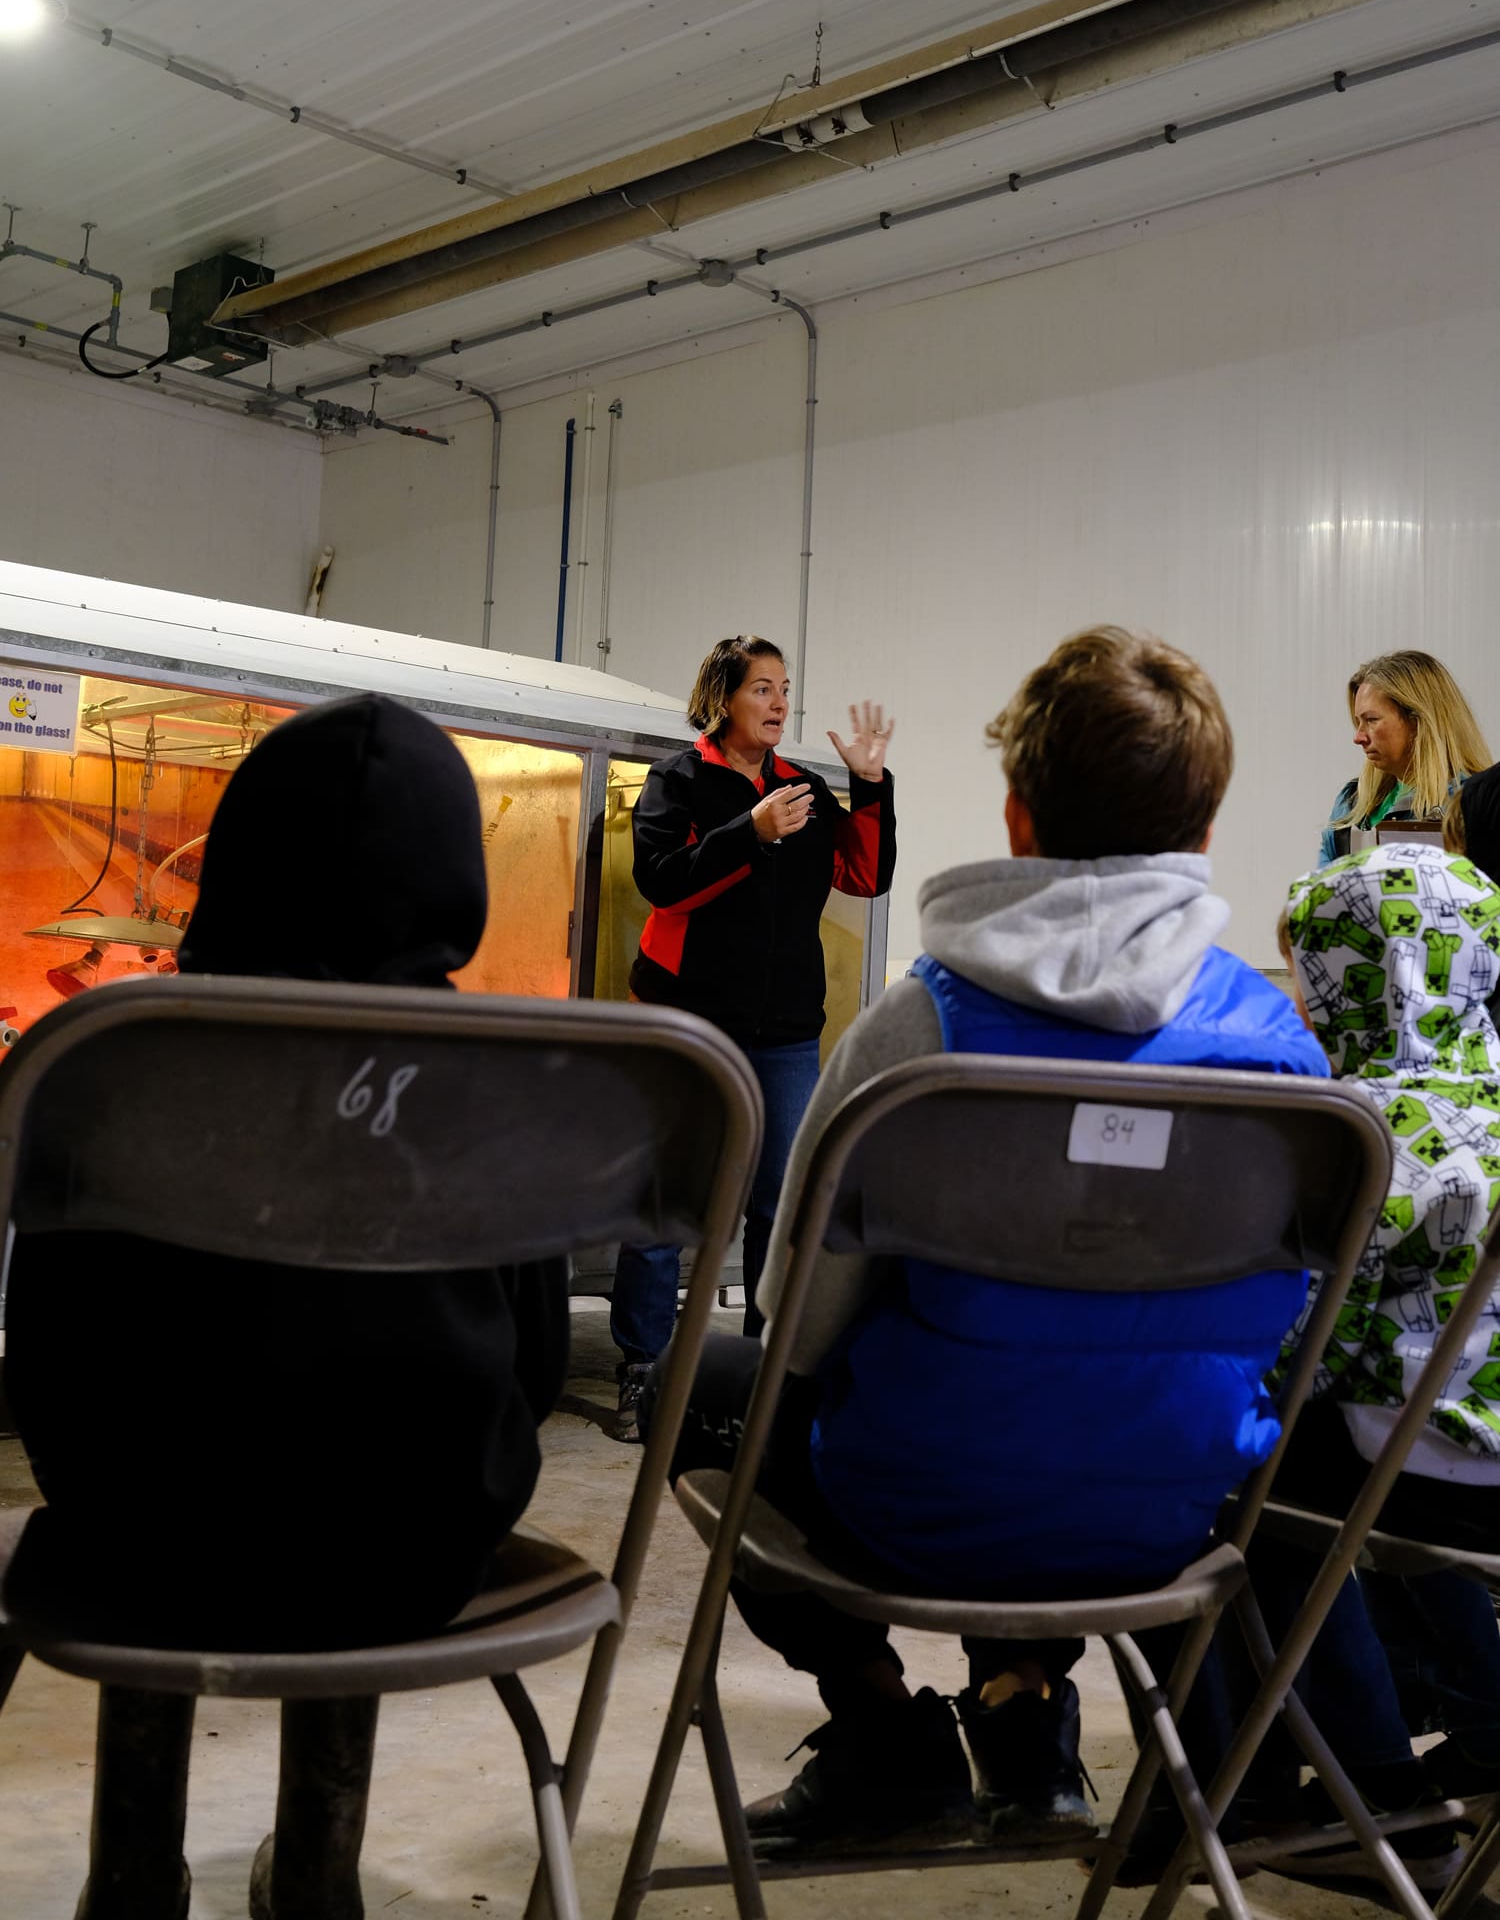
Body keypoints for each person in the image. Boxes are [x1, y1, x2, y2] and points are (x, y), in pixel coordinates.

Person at [651, 626, 1326, 1859]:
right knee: (1083, 1380)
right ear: (1206, 831)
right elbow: (1288, 1325)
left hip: (909, 1510)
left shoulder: (917, 1031)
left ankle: (882, 1732)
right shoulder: (1284, 1057)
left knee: (698, 1380)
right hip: (1177, 1513)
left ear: (1017, 816)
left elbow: (800, 1326)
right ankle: (1023, 1718)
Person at [5, 693, 570, 1920]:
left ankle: (131, 1877)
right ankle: (319, 1875)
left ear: (243, 854)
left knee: (165, 1451)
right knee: (371, 1451)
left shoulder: (114, 1053)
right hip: (419, 1541)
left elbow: (44, 1347)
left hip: (143, 1540)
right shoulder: (498, 1080)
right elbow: (535, 1362)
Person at [1254, 841, 1500, 1894]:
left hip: (1413, 1475)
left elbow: (1296, 1348)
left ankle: (1369, 1805)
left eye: (1311, 977)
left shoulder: (1353, 1134)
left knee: (1243, 1491)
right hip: (1487, 1477)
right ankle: (1481, 1730)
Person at [610, 634, 895, 1439]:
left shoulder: (802, 789)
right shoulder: (677, 780)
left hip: (785, 1036)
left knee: (779, 1205)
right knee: (669, 1200)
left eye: (784, 688)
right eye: (762, 688)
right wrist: (750, 831)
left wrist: (869, 787)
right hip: (690, 1023)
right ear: (723, 698)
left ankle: (759, 1374)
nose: (779, 703)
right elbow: (662, 882)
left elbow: (865, 874)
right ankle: (644, 1370)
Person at [1317, 651, 1489, 867]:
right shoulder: (1351, 803)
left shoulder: (1476, 805)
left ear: (1418, 722)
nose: (1358, 737)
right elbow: (1323, 884)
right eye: (1358, 722)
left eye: (1371, 720)